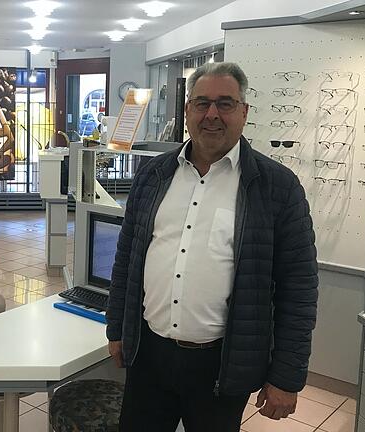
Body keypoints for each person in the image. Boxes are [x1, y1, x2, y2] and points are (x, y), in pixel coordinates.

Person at [106, 62, 318, 432]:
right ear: (187, 110)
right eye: (202, 103)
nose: (212, 115)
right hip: (149, 354)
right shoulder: (153, 174)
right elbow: (127, 258)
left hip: (223, 365)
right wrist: (117, 329)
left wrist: (287, 375)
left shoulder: (277, 187)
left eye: (225, 103)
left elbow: (298, 288)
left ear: (244, 112)